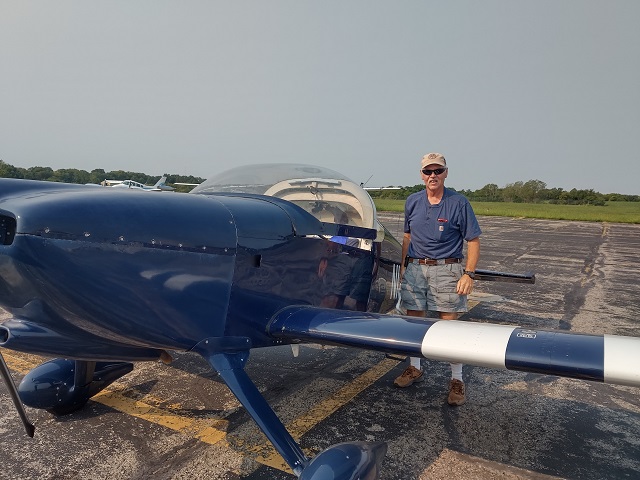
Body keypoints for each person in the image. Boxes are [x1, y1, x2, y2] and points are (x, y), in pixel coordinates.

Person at [394, 152, 481, 406]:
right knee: (414, 322)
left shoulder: (459, 203)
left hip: (447, 269)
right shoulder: (412, 201)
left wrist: (468, 274)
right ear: (421, 175)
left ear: (446, 173)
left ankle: (457, 379)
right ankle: (415, 367)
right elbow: (407, 237)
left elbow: (473, 240)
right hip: (415, 269)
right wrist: (404, 267)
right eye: (428, 171)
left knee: (449, 328)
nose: (433, 175)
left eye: (438, 171)